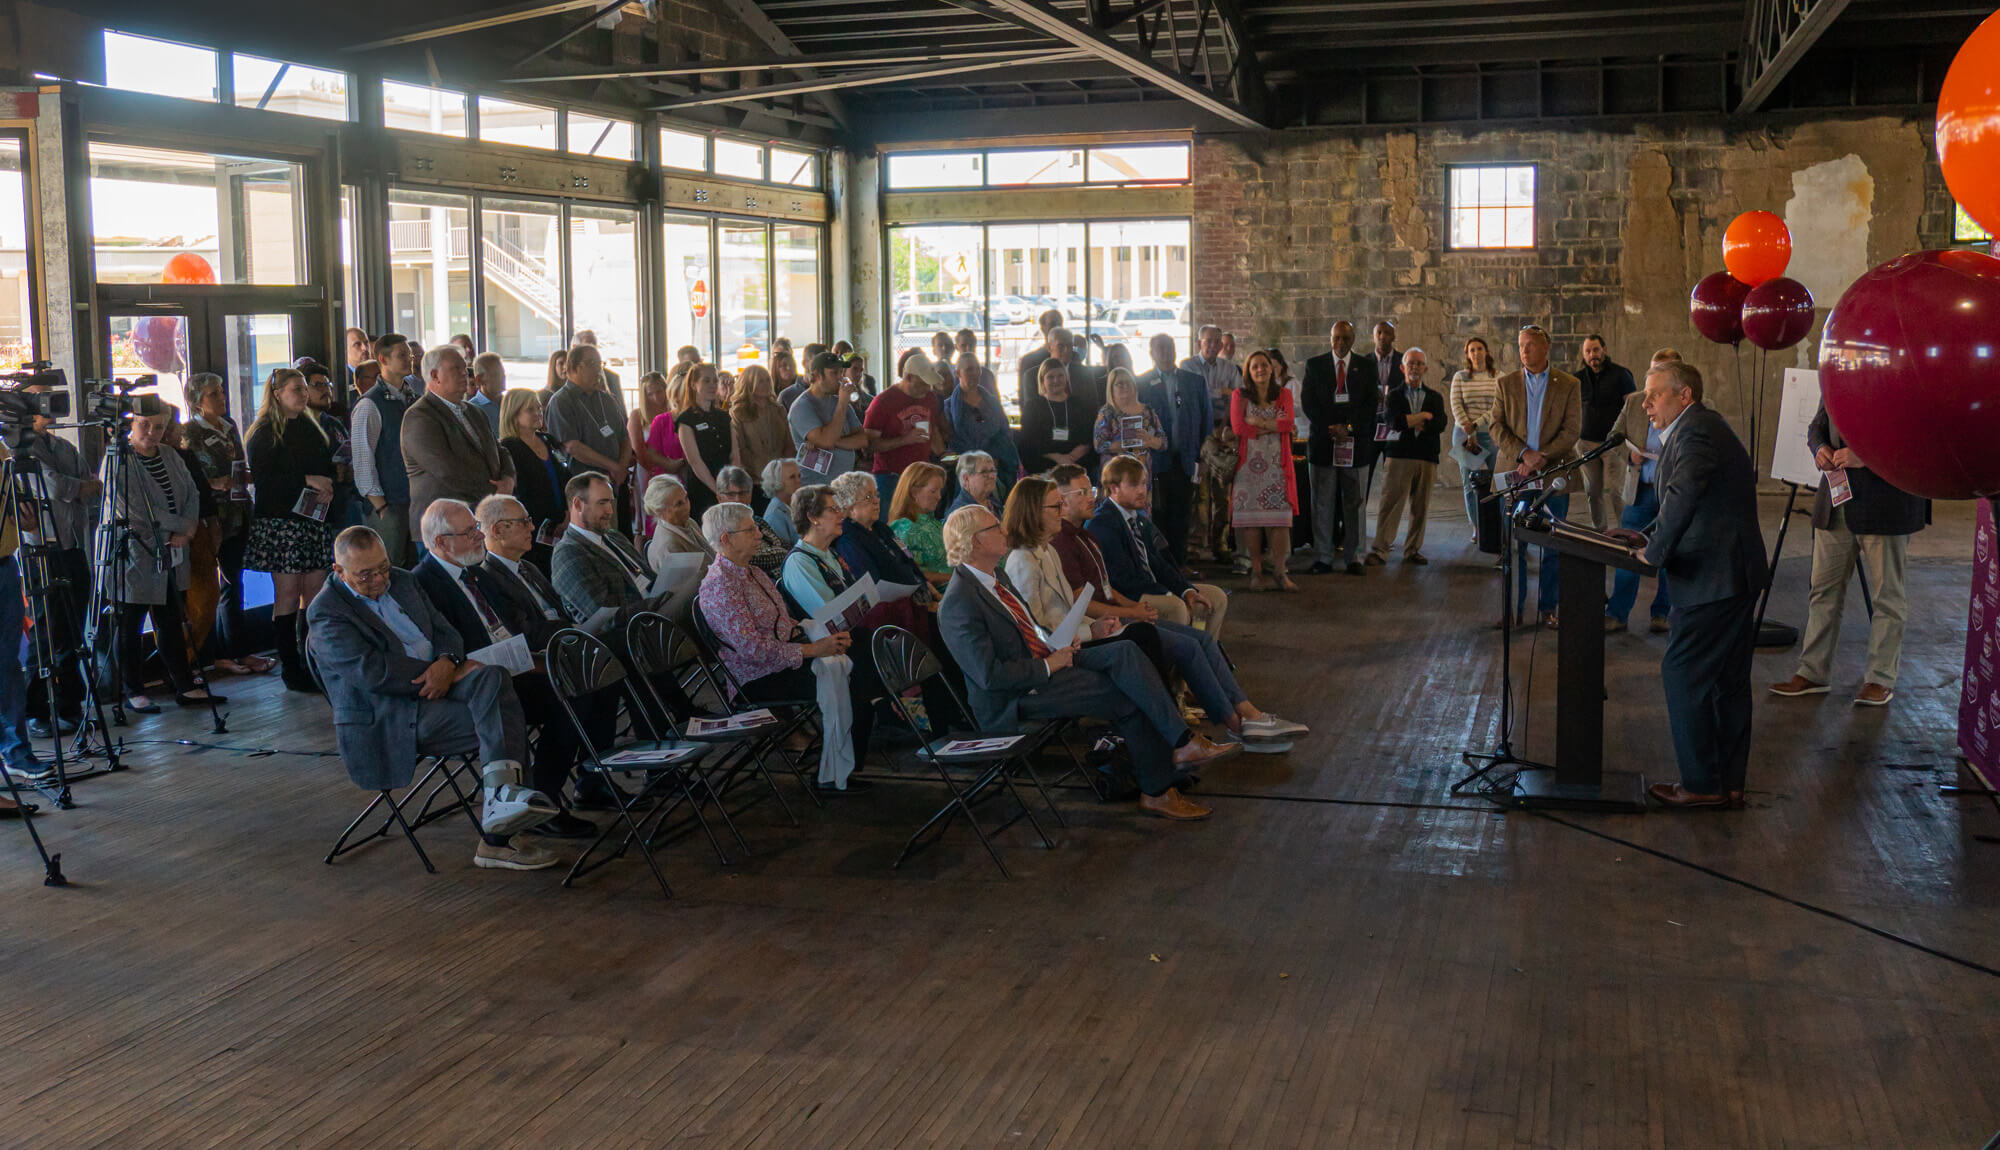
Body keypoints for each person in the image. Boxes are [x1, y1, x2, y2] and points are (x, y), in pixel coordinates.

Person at [938, 505, 1234, 820]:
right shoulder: (958, 602)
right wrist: (1050, 664)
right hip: (1017, 694)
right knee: (1126, 693)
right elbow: (990, 677)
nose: (1004, 531)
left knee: (1128, 649)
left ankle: (1181, 743)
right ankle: (1159, 789)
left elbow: (1029, 629)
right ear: (974, 542)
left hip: (1046, 658)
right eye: (994, 527)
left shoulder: (996, 577)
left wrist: (1064, 639)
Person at [309, 525, 559, 870]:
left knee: (494, 678)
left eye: (382, 567)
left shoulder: (403, 580)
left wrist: (447, 661)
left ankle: (502, 804)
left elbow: (445, 632)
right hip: (395, 713)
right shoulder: (327, 611)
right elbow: (372, 672)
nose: (379, 579)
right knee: (504, 718)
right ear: (338, 571)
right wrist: (440, 674)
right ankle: (497, 837)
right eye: (365, 575)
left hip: (444, 684)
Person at [1605, 361, 1767, 809]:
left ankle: (1701, 784)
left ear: (1684, 396)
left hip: (1714, 577)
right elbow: (1687, 499)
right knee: (1728, 682)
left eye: (1655, 394)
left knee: (1682, 671)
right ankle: (1729, 782)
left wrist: (1652, 554)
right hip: (1731, 573)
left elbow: (1684, 494)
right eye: (1645, 394)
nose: (1646, 403)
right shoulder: (1698, 428)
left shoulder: (1694, 431)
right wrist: (1646, 534)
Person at [698, 502, 874, 793]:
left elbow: (784, 622)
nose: (759, 535)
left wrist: (821, 636)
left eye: (756, 527)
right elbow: (752, 649)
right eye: (750, 529)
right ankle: (833, 774)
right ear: (725, 539)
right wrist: (813, 650)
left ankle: (839, 765)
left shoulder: (752, 572)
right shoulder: (720, 585)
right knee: (856, 683)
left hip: (784, 658)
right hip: (758, 678)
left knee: (858, 655)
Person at [1767, 402, 1929, 706]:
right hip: (1836, 501)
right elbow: (1818, 423)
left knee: (1887, 596)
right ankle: (1813, 672)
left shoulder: (1901, 370)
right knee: (1822, 590)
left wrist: (1867, 456)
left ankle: (1880, 679)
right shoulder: (1837, 367)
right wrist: (1818, 448)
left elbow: (1916, 433)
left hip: (1887, 503)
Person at [110, 409, 221, 713]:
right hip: (137, 551)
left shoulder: (171, 454)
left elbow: (192, 493)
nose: (152, 432)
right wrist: (181, 526)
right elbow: (132, 508)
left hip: (175, 548)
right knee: (130, 623)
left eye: (159, 427)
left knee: (172, 619)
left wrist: (189, 526)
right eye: (144, 425)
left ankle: (183, 684)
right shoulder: (118, 460)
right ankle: (133, 690)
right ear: (130, 425)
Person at [246, 367, 337, 693]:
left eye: (303, 388)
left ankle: (316, 658)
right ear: (277, 393)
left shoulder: (311, 427)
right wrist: (305, 481)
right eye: (295, 389)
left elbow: (324, 466)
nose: (302, 394)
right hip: (282, 523)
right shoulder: (265, 432)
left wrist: (327, 484)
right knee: (287, 594)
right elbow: (266, 482)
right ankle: (290, 666)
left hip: (312, 520)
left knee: (314, 595)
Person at [1491, 325, 1581, 627]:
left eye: (1530, 345)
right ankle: (1512, 609)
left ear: (1546, 348)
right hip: (1515, 473)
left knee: (1553, 543)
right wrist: (1524, 454)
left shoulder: (1568, 384)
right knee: (1513, 544)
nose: (1524, 350)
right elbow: (1496, 426)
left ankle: (1548, 608)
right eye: (1520, 345)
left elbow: (1572, 430)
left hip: (1553, 473)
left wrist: (1542, 456)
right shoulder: (1506, 384)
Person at [180, 374, 271, 675]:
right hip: (210, 519)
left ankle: (234, 650)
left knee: (234, 581)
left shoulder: (229, 426)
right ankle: (214, 654)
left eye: (221, 391)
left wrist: (244, 478)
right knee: (214, 588)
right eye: (212, 394)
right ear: (196, 402)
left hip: (238, 512)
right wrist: (213, 483)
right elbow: (187, 478)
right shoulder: (190, 433)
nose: (221, 398)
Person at [1088, 454, 1229, 637]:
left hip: (1150, 587)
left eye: (1144, 483)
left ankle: (1206, 653)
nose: (1142, 490)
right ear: (1114, 488)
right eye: (1134, 485)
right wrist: (1169, 594)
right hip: (1129, 596)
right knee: (1175, 607)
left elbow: (1158, 563)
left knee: (1216, 597)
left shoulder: (1138, 518)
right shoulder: (1103, 523)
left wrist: (1186, 591)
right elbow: (1123, 579)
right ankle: (1178, 661)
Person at [402, 345, 515, 537]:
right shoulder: (419, 416)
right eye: (456, 368)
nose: (465, 373)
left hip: (480, 518)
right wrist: (494, 494)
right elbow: (446, 470)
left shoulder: (474, 411)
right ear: (435, 375)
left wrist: (508, 479)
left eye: (465, 368)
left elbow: (499, 450)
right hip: (443, 528)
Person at [1299, 320, 1380, 575]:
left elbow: (1370, 404)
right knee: (1322, 502)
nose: (1341, 343)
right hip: (1324, 443)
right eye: (1336, 338)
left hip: (1355, 446)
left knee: (1355, 502)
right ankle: (1323, 556)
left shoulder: (1367, 366)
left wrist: (1349, 428)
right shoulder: (1315, 365)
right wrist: (1331, 428)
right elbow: (1308, 402)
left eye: (1346, 338)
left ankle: (1354, 557)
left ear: (1353, 338)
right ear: (1330, 339)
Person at [1605, 359, 1674, 634]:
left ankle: (1661, 614)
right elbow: (1614, 436)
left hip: (1672, 493)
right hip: (1640, 489)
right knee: (1628, 552)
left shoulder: (1685, 406)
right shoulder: (1635, 402)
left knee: (1670, 555)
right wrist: (1628, 455)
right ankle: (1617, 613)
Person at [1229, 350, 1300, 592]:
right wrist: (1273, 427)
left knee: (1280, 521)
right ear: (1248, 372)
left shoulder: (1284, 395)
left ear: (1272, 369)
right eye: (1254, 366)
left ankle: (1280, 572)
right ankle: (1257, 572)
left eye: (1264, 365)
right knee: (1252, 522)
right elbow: (1238, 428)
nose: (1260, 369)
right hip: (1248, 468)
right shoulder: (1240, 396)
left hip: (1278, 468)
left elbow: (1288, 424)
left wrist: (1258, 423)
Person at [1368, 347, 1447, 567]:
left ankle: (1412, 550)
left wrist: (1410, 420)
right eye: (1411, 363)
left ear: (1426, 368)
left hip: (1426, 457)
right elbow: (1395, 422)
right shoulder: (1393, 395)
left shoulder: (1435, 397)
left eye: (1419, 363)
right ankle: (1380, 549)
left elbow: (1440, 423)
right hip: (1399, 456)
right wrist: (1422, 417)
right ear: (1402, 367)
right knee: (1390, 504)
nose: (1415, 367)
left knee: (1420, 507)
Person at [1135, 335, 1208, 568]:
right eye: (1160, 348)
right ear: (1151, 352)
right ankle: (1161, 566)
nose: (1166, 352)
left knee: (1183, 513)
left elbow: (1205, 421)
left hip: (1185, 459)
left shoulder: (1193, 381)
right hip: (1156, 461)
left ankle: (1181, 563)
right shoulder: (1142, 383)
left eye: (1169, 347)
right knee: (1159, 514)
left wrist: (1202, 456)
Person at [545, 343, 633, 529]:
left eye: (600, 363)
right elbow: (572, 447)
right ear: (575, 367)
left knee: (620, 538)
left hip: (616, 483)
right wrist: (613, 466)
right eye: (593, 363)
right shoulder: (561, 401)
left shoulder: (606, 399)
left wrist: (621, 469)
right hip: (586, 490)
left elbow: (625, 438)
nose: (599, 369)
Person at [350, 333, 418, 565]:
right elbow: (362, 457)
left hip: (415, 500)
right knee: (387, 569)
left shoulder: (413, 398)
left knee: (413, 570)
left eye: (409, 354)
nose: (409, 359)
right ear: (383, 359)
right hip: (388, 504)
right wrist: (380, 506)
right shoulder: (370, 403)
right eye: (402, 355)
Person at [1183, 324, 1244, 563]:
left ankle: (1220, 543)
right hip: (1198, 435)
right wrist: (1222, 392)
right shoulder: (1188, 367)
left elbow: (1239, 397)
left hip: (1224, 432)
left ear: (1221, 345)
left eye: (1216, 341)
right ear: (1199, 343)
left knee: (1222, 492)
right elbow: (1193, 398)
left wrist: (1228, 426)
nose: (1212, 345)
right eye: (1207, 341)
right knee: (1199, 493)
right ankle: (1196, 546)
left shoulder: (1230, 368)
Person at [828, 470, 934, 606]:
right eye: (868, 497)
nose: (877, 501)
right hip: (896, 608)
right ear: (849, 507)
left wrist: (925, 585)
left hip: (917, 595)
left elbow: (907, 557)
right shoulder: (848, 541)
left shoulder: (881, 527)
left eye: (876, 495)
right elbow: (874, 585)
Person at [864, 355, 947, 506]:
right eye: (923, 383)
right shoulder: (883, 402)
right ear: (908, 377)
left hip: (922, 475)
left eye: (929, 384)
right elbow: (869, 444)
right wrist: (904, 440)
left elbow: (932, 429)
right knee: (891, 523)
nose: (927, 388)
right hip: (890, 476)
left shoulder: (930, 398)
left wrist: (943, 454)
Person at [1574, 334, 1637, 531]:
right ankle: (1600, 531)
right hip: (1585, 443)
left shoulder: (1621, 374)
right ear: (1583, 355)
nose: (1592, 354)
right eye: (1588, 351)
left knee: (1617, 492)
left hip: (1613, 444)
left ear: (1604, 350)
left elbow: (1632, 408)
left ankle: (1625, 531)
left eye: (1596, 350)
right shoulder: (1577, 379)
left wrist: (1632, 439)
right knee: (1593, 491)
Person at [1448, 336, 1501, 545]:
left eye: (1479, 348)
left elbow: (1497, 407)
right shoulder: (1460, 377)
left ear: (1486, 352)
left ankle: (1495, 526)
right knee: (1471, 484)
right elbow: (1456, 405)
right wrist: (1468, 428)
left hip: (1491, 434)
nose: (1476, 353)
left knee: (1495, 484)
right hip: (1465, 436)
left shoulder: (1498, 377)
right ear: (1467, 354)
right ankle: (1477, 527)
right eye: (1472, 350)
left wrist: (1477, 424)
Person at [788, 351, 869, 486]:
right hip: (815, 487)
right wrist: (842, 404)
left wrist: (834, 442)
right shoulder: (802, 406)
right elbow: (826, 440)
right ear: (817, 375)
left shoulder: (839, 401)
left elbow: (862, 440)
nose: (839, 378)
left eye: (841, 372)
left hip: (841, 484)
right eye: (834, 373)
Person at [945, 353, 1020, 493]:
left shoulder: (992, 402)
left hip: (997, 465)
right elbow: (951, 441)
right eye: (969, 370)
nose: (974, 373)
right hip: (966, 469)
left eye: (977, 369)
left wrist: (993, 458)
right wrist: (975, 462)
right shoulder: (949, 407)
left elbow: (1005, 433)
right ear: (958, 373)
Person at [730, 364, 793, 514]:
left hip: (780, 479)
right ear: (749, 384)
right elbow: (740, 449)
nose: (765, 384)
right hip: (755, 480)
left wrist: (784, 470)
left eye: (767, 380)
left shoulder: (778, 410)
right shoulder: (738, 413)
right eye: (760, 381)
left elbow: (788, 443)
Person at [1017, 358, 1095, 478]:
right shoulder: (1033, 407)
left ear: (1066, 378)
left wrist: (1071, 458)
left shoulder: (1080, 405)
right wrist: (1058, 458)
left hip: (1078, 465)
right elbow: (1027, 442)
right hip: (1044, 468)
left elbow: (1089, 437)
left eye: (1060, 375)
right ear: (1042, 380)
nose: (1056, 380)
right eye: (1050, 377)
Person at [675, 363, 733, 520]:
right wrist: (717, 491)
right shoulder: (686, 420)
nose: (712, 385)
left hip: (729, 484)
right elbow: (695, 462)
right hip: (703, 487)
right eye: (706, 381)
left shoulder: (724, 417)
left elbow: (735, 454)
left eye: (715, 381)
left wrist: (734, 487)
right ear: (694, 385)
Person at [629, 370, 681, 538]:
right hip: (648, 471)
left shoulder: (674, 413)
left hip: (675, 469)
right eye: (650, 394)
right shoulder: (637, 415)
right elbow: (639, 449)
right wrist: (655, 468)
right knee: (646, 515)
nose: (656, 397)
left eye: (659, 391)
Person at [642, 474, 715, 592]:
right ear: (661, 511)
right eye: (679, 504)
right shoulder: (669, 546)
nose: (687, 506)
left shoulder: (688, 522)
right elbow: (687, 590)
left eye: (686, 498)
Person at [715, 464, 790, 580]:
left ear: (750, 496)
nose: (737, 500)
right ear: (719, 498)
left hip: (784, 576)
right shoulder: (718, 529)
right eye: (730, 494)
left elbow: (782, 543)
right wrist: (788, 554)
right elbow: (751, 557)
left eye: (742, 493)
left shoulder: (758, 521)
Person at [889, 460, 952, 587]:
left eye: (940, 491)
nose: (939, 497)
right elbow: (911, 573)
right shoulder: (904, 528)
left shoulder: (932, 521)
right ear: (914, 492)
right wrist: (951, 578)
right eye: (933, 491)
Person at [1093, 365, 1166, 463]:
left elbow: (1163, 444)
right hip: (1115, 472)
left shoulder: (1148, 411)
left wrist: (1149, 440)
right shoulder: (1106, 413)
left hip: (1142, 472)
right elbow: (1099, 446)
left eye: (1129, 382)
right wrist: (1127, 444)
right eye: (1120, 383)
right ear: (1111, 388)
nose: (1125, 386)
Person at [1015, 307, 1065, 407]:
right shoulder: (1029, 361)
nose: (1057, 327)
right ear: (1043, 328)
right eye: (1052, 324)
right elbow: (1024, 399)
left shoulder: (1070, 359)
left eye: (1059, 324)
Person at [760, 458, 804, 550]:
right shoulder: (774, 515)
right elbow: (784, 554)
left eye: (799, 476)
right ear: (776, 482)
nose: (798, 480)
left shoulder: (795, 505)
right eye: (792, 477)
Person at [945, 451, 1002, 518]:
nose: (992, 476)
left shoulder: (994, 503)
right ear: (966, 479)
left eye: (993, 471)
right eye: (984, 472)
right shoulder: (960, 513)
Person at [466, 352, 507, 435]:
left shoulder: (510, 403)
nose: (503, 378)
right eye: (497, 374)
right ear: (479, 380)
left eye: (503, 373)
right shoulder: (471, 410)